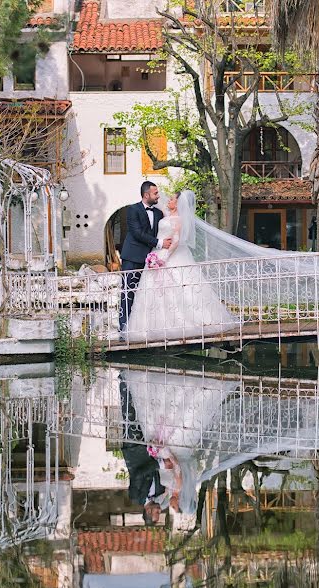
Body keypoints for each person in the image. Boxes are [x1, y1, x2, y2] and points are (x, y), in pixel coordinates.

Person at [125, 190, 237, 342]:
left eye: (171, 199)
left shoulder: (179, 219)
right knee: (154, 291)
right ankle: (150, 327)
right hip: (157, 252)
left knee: (181, 287)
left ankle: (189, 321)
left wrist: (163, 258)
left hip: (171, 255)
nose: (168, 200)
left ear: (178, 203)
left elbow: (176, 240)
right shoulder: (165, 215)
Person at [118, 181, 172, 336]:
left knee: (147, 294)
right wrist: (160, 243)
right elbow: (137, 233)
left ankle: (144, 329)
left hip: (151, 260)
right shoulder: (132, 210)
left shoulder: (158, 213)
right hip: (132, 257)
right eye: (155, 193)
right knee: (128, 292)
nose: (158, 196)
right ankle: (123, 329)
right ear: (146, 194)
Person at [119, 374, 168, 525]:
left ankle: (124, 381)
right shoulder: (160, 491)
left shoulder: (135, 496)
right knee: (145, 413)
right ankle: (140, 380)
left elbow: (139, 473)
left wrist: (160, 464)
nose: (160, 510)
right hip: (150, 446)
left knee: (129, 414)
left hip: (134, 449)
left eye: (156, 513)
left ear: (148, 511)